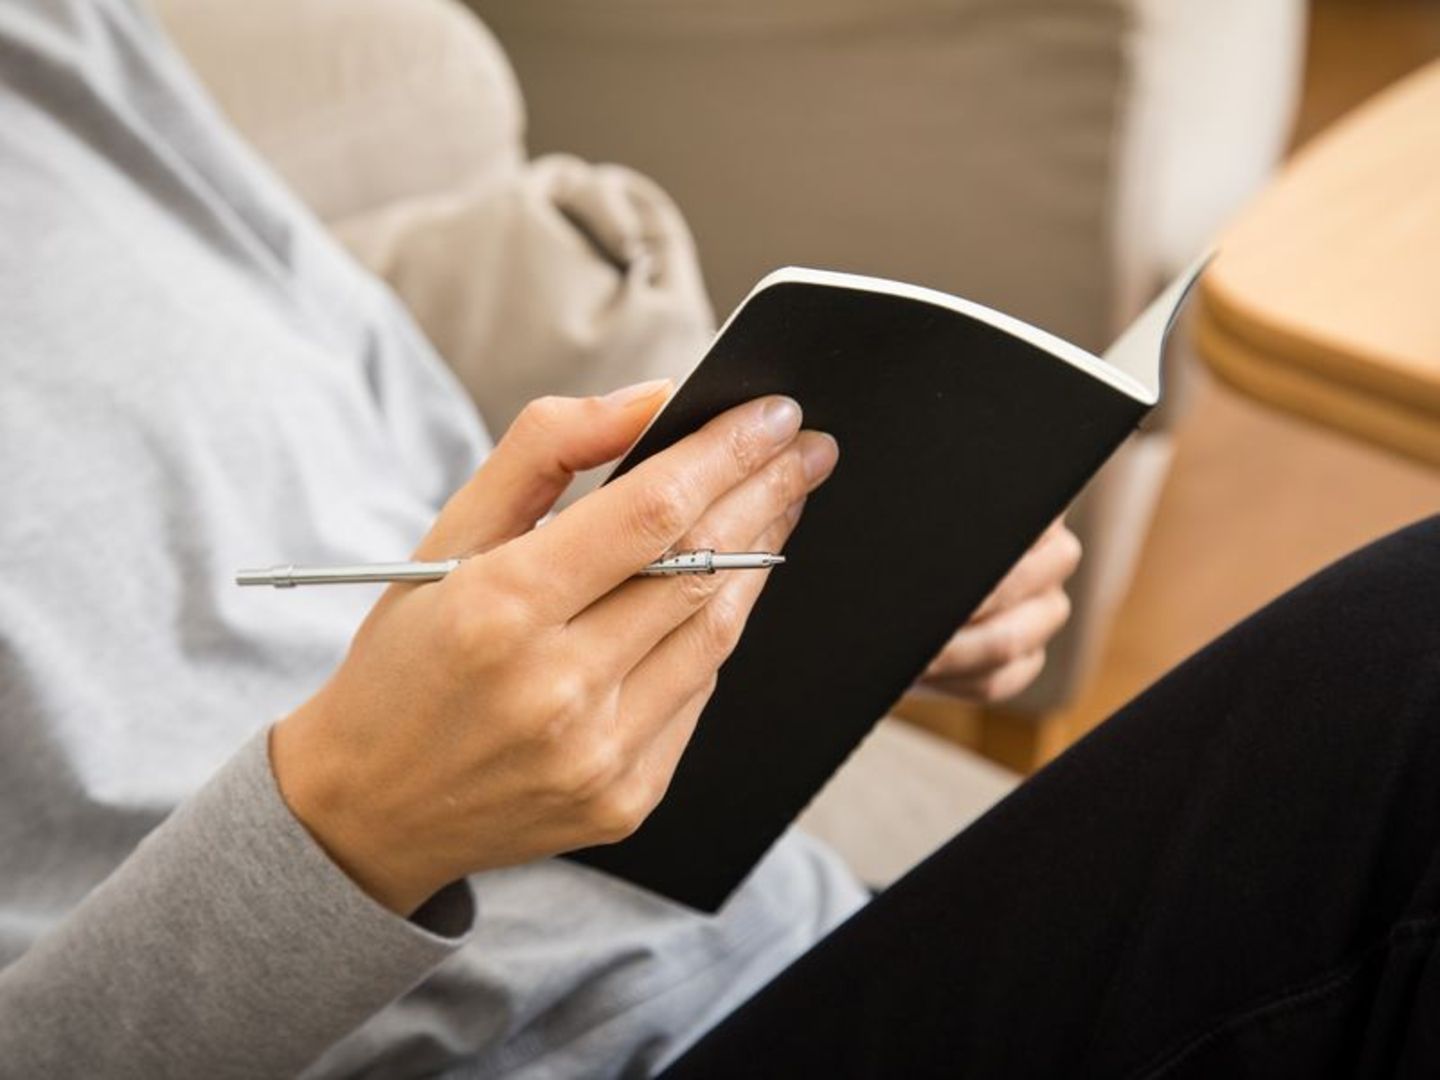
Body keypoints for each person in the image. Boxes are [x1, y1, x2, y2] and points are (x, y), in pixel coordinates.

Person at [6, 3, 1438, 1078]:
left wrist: (793, 601)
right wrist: (350, 828)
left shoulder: (54, 53)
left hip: (800, 944)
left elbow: (384, 461)